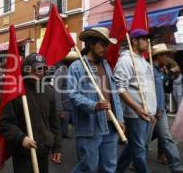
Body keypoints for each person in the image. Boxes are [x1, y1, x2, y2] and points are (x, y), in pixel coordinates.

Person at [67, 27, 124, 173]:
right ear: (91, 44)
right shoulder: (77, 67)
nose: (106, 48)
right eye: (103, 44)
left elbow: (114, 94)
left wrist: (120, 119)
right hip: (90, 127)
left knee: (109, 167)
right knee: (88, 167)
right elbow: (73, 94)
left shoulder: (106, 66)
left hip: (110, 126)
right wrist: (94, 105)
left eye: (107, 45)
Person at [0, 53, 62, 173]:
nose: (40, 72)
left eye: (43, 69)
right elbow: (6, 123)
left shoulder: (49, 91)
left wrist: (57, 147)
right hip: (23, 151)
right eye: (36, 69)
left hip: (43, 148)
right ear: (26, 70)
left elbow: (54, 122)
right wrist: (21, 138)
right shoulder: (16, 92)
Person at [114, 29, 157, 173]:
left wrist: (153, 111)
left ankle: (117, 170)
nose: (148, 42)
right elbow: (120, 89)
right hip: (135, 114)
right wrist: (138, 109)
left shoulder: (143, 60)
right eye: (144, 39)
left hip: (147, 113)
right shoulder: (126, 60)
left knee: (133, 147)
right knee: (139, 150)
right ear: (134, 41)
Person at [151, 43, 183, 173]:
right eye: (165, 55)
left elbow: (167, 89)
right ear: (158, 56)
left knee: (166, 137)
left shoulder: (161, 71)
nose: (168, 57)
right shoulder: (149, 70)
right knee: (141, 142)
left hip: (161, 110)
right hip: (150, 111)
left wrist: (168, 76)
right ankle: (131, 163)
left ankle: (176, 166)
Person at [54, 63, 73, 139]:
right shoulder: (60, 71)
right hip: (63, 106)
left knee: (64, 130)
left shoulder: (71, 70)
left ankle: (64, 134)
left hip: (69, 107)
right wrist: (59, 109)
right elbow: (57, 91)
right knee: (58, 134)